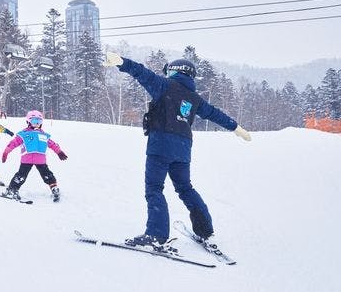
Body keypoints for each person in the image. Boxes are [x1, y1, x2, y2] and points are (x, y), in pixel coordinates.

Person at [103, 52, 252, 249]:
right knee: (185, 188)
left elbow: (142, 73)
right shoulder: (195, 98)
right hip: (183, 149)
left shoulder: (165, 86)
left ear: (174, 71)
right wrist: (236, 127)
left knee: (154, 188)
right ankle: (205, 230)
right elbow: (215, 114)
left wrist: (122, 62)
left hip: (161, 146)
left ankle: (156, 235)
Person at [0, 110, 68, 202]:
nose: (37, 124)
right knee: (21, 176)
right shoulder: (23, 134)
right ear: (28, 122)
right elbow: (13, 143)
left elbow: (52, 144)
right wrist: (6, 152)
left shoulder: (44, 135)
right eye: (34, 121)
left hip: (41, 160)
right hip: (26, 160)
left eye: (39, 121)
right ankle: (12, 190)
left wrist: (59, 152)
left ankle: (54, 187)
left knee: (47, 174)